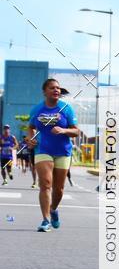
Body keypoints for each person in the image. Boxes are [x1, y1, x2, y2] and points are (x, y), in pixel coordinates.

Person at [27, 79, 79, 231]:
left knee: (59, 188)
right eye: (52, 88)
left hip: (63, 151)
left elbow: (76, 131)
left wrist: (64, 131)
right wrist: (30, 138)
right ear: (45, 91)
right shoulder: (37, 109)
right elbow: (30, 127)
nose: (56, 90)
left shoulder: (66, 108)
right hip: (43, 150)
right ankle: (45, 220)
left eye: (58, 88)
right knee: (45, 184)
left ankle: (53, 209)